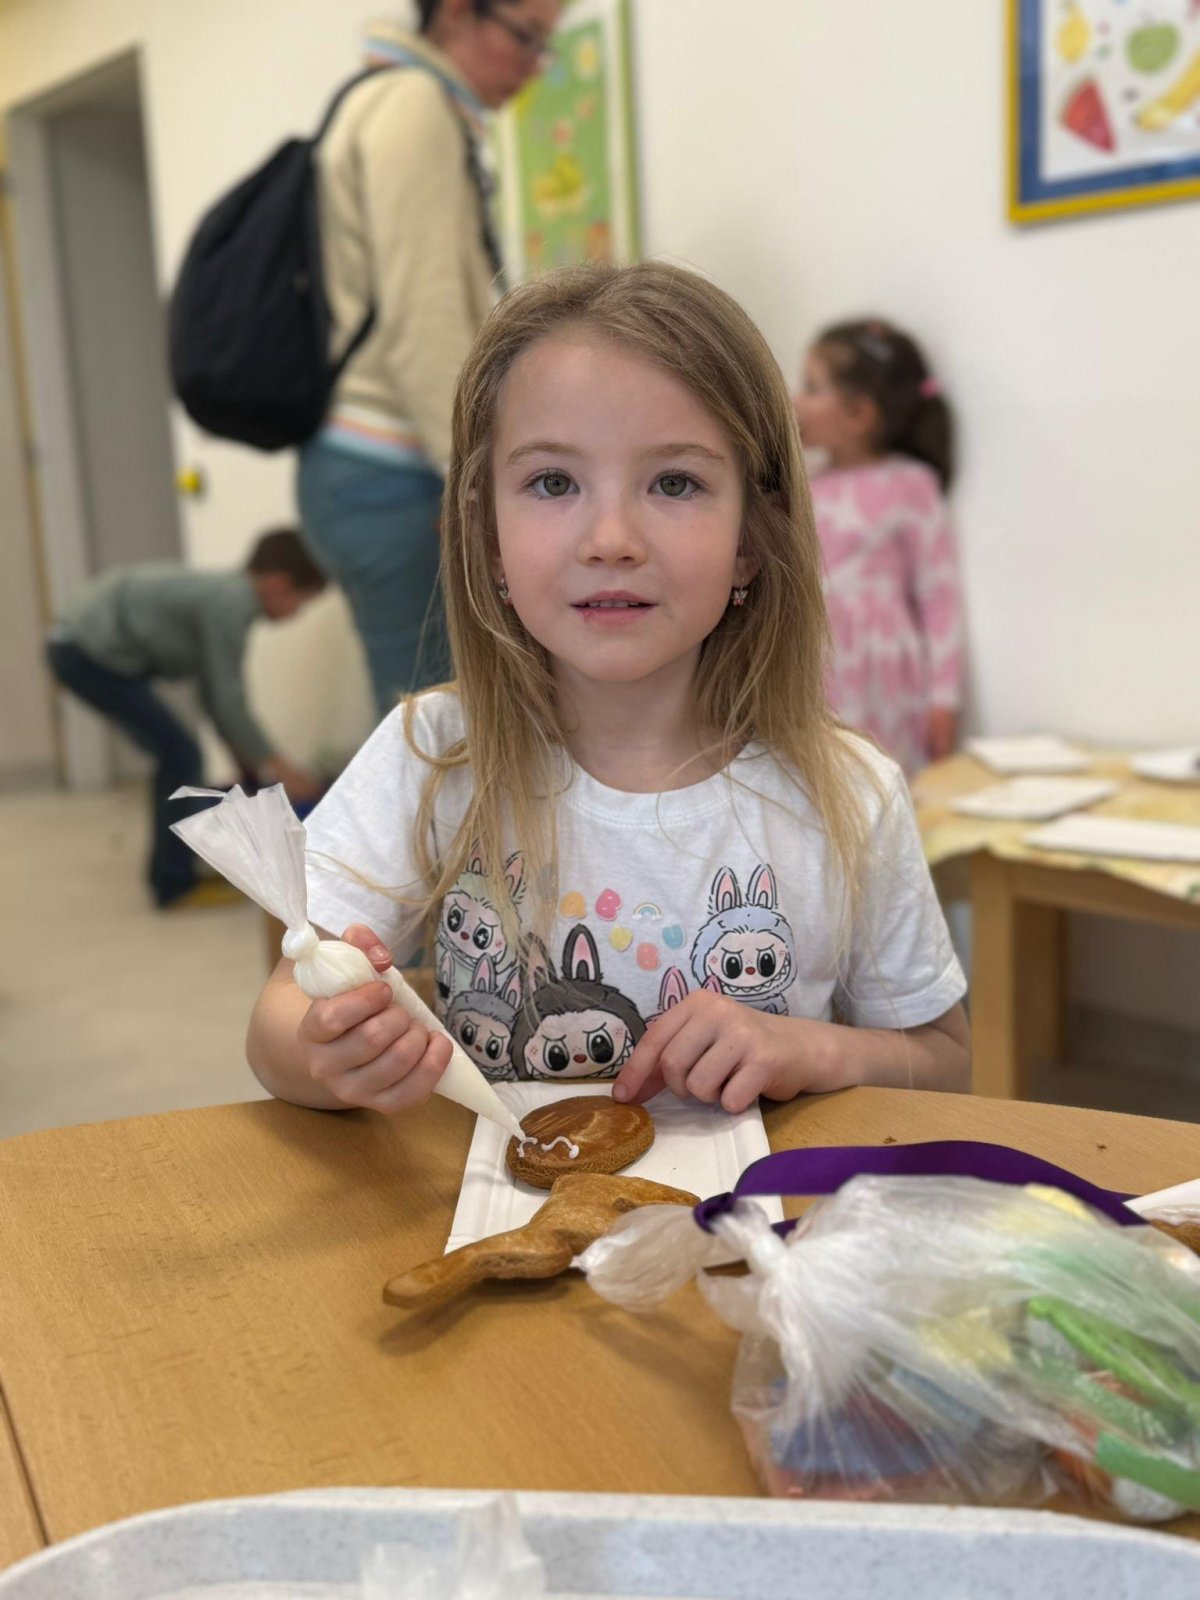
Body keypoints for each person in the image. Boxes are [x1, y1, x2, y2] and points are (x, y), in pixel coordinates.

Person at [247, 262, 970, 1118]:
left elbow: (944, 1060)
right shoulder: (432, 755)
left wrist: (813, 1048)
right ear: (487, 536)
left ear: (751, 539)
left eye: (675, 483)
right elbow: (279, 1016)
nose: (612, 539)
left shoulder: (849, 793)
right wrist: (327, 1050)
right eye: (554, 483)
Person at [298, 0, 562, 718]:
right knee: (439, 731)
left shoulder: (388, 98)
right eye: (526, 37)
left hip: (363, 470)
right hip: (394, 472)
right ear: (454, 14)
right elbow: (424, 314)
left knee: (433, 721)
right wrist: (470, 483)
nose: (534, 66)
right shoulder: (415, 106)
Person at [47, 529, 326, 910]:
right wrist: (283, 771)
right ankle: (173, 885)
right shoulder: (233, 603)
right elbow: (228, 702)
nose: (298, 613)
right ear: (279, 584)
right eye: (302, 601)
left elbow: (215, 698)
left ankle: (181, 868)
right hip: (84, 650)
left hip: (78, 644)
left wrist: (252, 768)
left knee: (178, 754)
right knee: (180, 756)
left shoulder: (229, 594)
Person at [793, 319, 964, 777]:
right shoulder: (804, 486)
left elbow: (939, 595)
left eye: (812, 388)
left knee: (884, 784)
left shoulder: (910, 484)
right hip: (818, 665)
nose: (796, 400)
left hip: (886, 676)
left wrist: (944, 697)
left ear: (859, 415)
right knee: (825, 783)